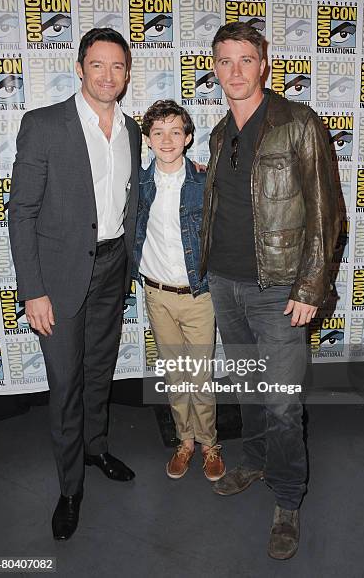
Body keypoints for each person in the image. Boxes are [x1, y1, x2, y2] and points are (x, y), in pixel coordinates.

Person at [199, 22, 340, 560]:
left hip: (280, 289)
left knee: (283, 403)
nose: (235, 70)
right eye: (224, 60)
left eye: (245, 59)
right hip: (226, 283)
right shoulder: (217, 134)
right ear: (214, 67)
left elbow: (327, 212)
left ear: (264, 64)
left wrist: (309, 286)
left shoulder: (297, 122)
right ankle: (254, 462)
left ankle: (287, 499)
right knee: (250, 388)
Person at [8, 28, 141, 541]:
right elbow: (20, 213)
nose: (108, 75)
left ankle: (96, 447)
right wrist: (32, 290)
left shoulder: (131, 130)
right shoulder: (43, 125)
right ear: (81, 67)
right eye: (98, 65)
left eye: (118, 67)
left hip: (112, 268)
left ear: (127, 74)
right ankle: (69, 488)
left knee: (98, 371)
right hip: (58, 279)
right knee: (65, 384)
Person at [132, 99, 225, 482]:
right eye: (158, 132)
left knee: (200, 375)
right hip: (156, 295)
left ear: (188, 138)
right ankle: (184, 442)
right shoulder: (136, 184)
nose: (166, 139)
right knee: (174, 374)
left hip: (198, 295)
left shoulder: (205, 182)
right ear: (148, 139)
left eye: (175, 131)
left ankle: (209, 443)